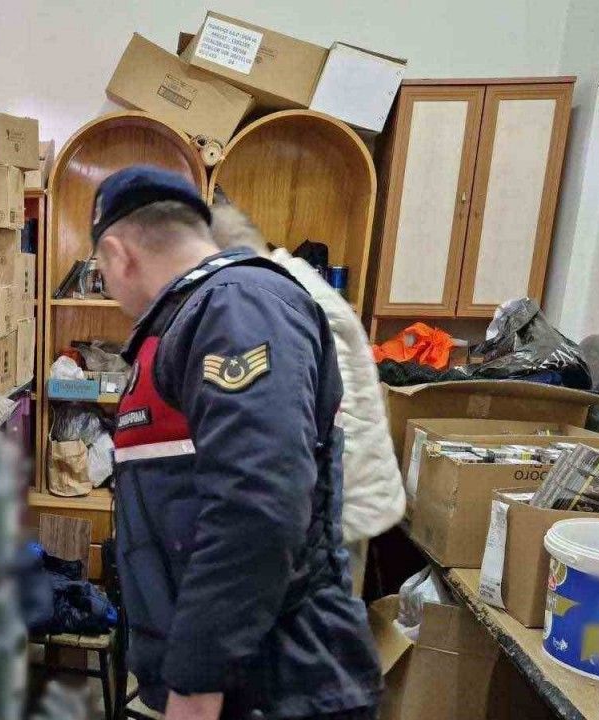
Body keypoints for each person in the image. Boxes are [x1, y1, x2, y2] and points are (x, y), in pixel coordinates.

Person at [92, 166, 382, 720]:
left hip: (277, 685)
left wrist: (196, 684)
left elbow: (258, 503)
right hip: (242, 682)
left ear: (117, 253)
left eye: (101, 270)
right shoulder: (194, 319)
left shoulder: (238, 306)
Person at [206, 198, 406, 597]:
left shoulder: (291, 299)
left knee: (322, 613)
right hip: (340, 495)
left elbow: (312, 421)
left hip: (342, 505)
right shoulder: (291, 281)